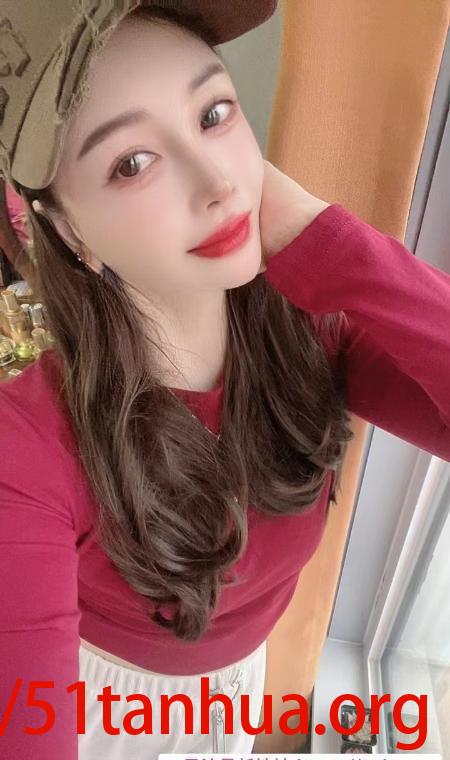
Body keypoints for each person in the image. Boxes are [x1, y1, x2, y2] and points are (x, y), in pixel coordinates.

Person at [0, 2, 449, 758]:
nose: (217, 183)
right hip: (108, 711)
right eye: (132, 162)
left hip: (242, 684)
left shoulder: (313, 332)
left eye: (213, 114)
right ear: (67, 228)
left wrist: (334, 244)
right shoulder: (27, 446)